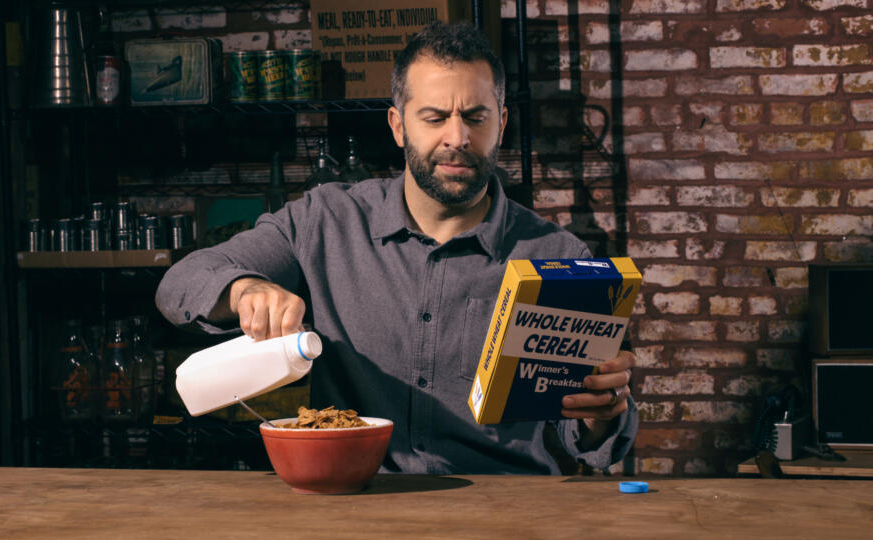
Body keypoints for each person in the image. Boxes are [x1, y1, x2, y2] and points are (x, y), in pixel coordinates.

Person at [156, 21, 637, 474]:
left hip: (505, 508)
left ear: (502, 123)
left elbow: (595, 443)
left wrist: (602, 409)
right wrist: (244, 289)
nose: (457, 137)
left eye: (476, 117)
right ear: (398, 125)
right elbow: (180, 282)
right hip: (358, 502)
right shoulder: (323, 221)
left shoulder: (559, 256)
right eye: (434, 118)